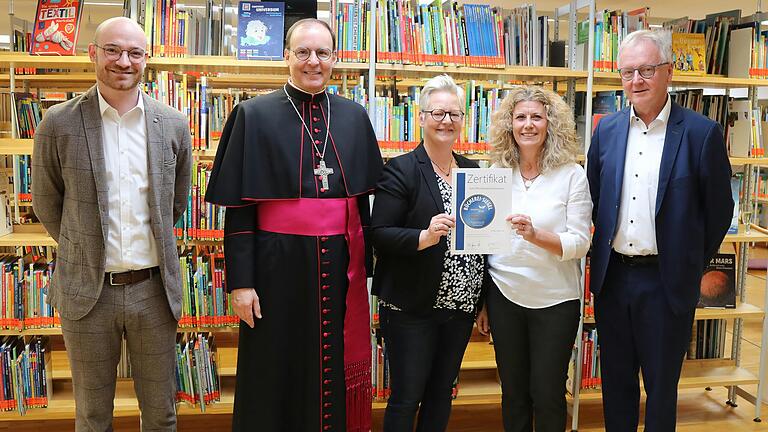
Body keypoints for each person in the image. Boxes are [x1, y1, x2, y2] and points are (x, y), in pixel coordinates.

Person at [204, 18, 383, 432]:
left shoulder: (354, 116)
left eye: (322, 53)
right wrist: (241, 283)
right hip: (274, 268)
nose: (313, 61)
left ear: (335, 59)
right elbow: (240, 210)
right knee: (275, 365)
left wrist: (367, 271)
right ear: (286, 56)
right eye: (303, 52)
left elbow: (361, 207)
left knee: (331, 361)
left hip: (339, 266)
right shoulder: (252, 115)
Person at [31, 17, 191, 431]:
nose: (124, 61)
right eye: (113, 50)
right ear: (93, 53)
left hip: (154, 292)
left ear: (146, 59)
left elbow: (173, 203)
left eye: (134, 52)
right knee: (92, 414)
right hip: (88, 293)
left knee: (161, 413)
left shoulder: (172, 123)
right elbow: (48, 204)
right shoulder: (58, 123)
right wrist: (84, 244)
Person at [586, 29, 733, 431]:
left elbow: (720, 210)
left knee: (661, 390)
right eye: (628, 72)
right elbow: (596, 198)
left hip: (666, 284)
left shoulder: (701, 134)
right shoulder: (607, 132)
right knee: (615, 386)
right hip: (614, 279)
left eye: (647, 70)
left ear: (668, 72)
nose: (637, 81)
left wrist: (687, 261)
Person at [370, 74, 486, 432]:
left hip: (460, 308)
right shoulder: (401, 169)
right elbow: (379, 234)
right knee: (407, 396)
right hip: (412, 306)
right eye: (437, 113)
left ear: (463, 120)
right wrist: (424, 235)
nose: (446, 121)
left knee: (441, 393)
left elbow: (485, 244)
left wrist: (483, 302)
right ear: (420, 118)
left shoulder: (474, 171)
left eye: (454, 114)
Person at [474, 85, 592, 432]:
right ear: (509, 124)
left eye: (536, 117)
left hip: (555, 300)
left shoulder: (572, 175)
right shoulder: (494, 172)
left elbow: (580, 242)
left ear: (549, 124)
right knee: (512, 392)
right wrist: (483, 302)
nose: (528, 124)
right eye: (520, 117)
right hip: (504, 294)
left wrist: (535, 235)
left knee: (547, 391)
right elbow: (481, 243)